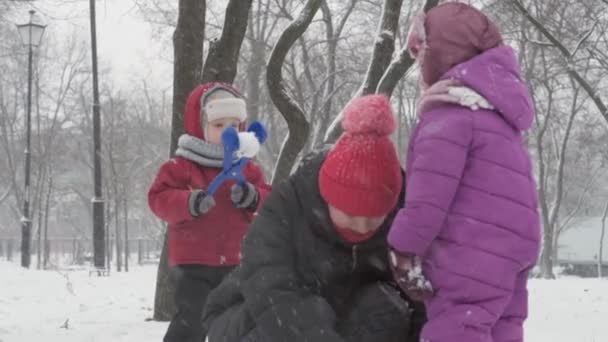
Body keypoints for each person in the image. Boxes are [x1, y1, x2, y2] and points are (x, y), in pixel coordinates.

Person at [202, 94, 425, 342]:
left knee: (387, 306)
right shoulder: (286, 208)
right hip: (249, 315)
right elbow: (271, 288)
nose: (362, 227)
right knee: (306, 312)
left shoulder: (408, 220)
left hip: (339, 317)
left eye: (374, 218)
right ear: (327, 198)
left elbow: (421, 301)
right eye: (350, 215)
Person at [387, 3, 541, 342]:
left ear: (440, 55)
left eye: (422, 55)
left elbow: (427, 200)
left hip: (470, 250)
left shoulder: (449, 115)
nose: (419, 67)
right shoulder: (499, 114)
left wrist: (402, 248)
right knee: (503, 327)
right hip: (513, 248)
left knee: (457, 327)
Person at [148, 82, 271, 342]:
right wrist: (188, 202)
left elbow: (270, 200)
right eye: (218, 125)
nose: (228, 131)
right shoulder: (181, 166)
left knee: (236, 325)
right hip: (194, 264)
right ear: (200, 126)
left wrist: (253, 197)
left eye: (235, 125)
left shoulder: (248, 168)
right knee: (191, 322)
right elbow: (158, 198)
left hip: (238, 262)